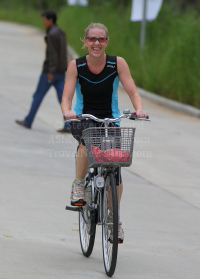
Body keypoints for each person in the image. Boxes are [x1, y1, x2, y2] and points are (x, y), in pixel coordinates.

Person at [61, 23, 148, 241]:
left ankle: (113, 218)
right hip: (84, 117)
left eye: (101, 39)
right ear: (85, 41)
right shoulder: (77, 65)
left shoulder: (117, 63)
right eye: (92, 39)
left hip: (111, 120)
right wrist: (68, 112)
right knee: (86, 141)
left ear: (107, 42)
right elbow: (67, 96)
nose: (96, 43)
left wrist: (139, 109)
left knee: (115, 167)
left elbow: (132, 90)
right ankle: (79, 184)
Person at [16, 10, 70, 132]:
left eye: (44, 19)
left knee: (38, 96)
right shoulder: (61, 32)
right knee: (63, 99)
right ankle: (69, 125)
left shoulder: (52, 34)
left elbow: (53, 55)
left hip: (49, 73)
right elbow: (62, 53)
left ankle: (28, 121)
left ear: (50, 20)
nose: (43, 22)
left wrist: (51, 71)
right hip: (61, 72)